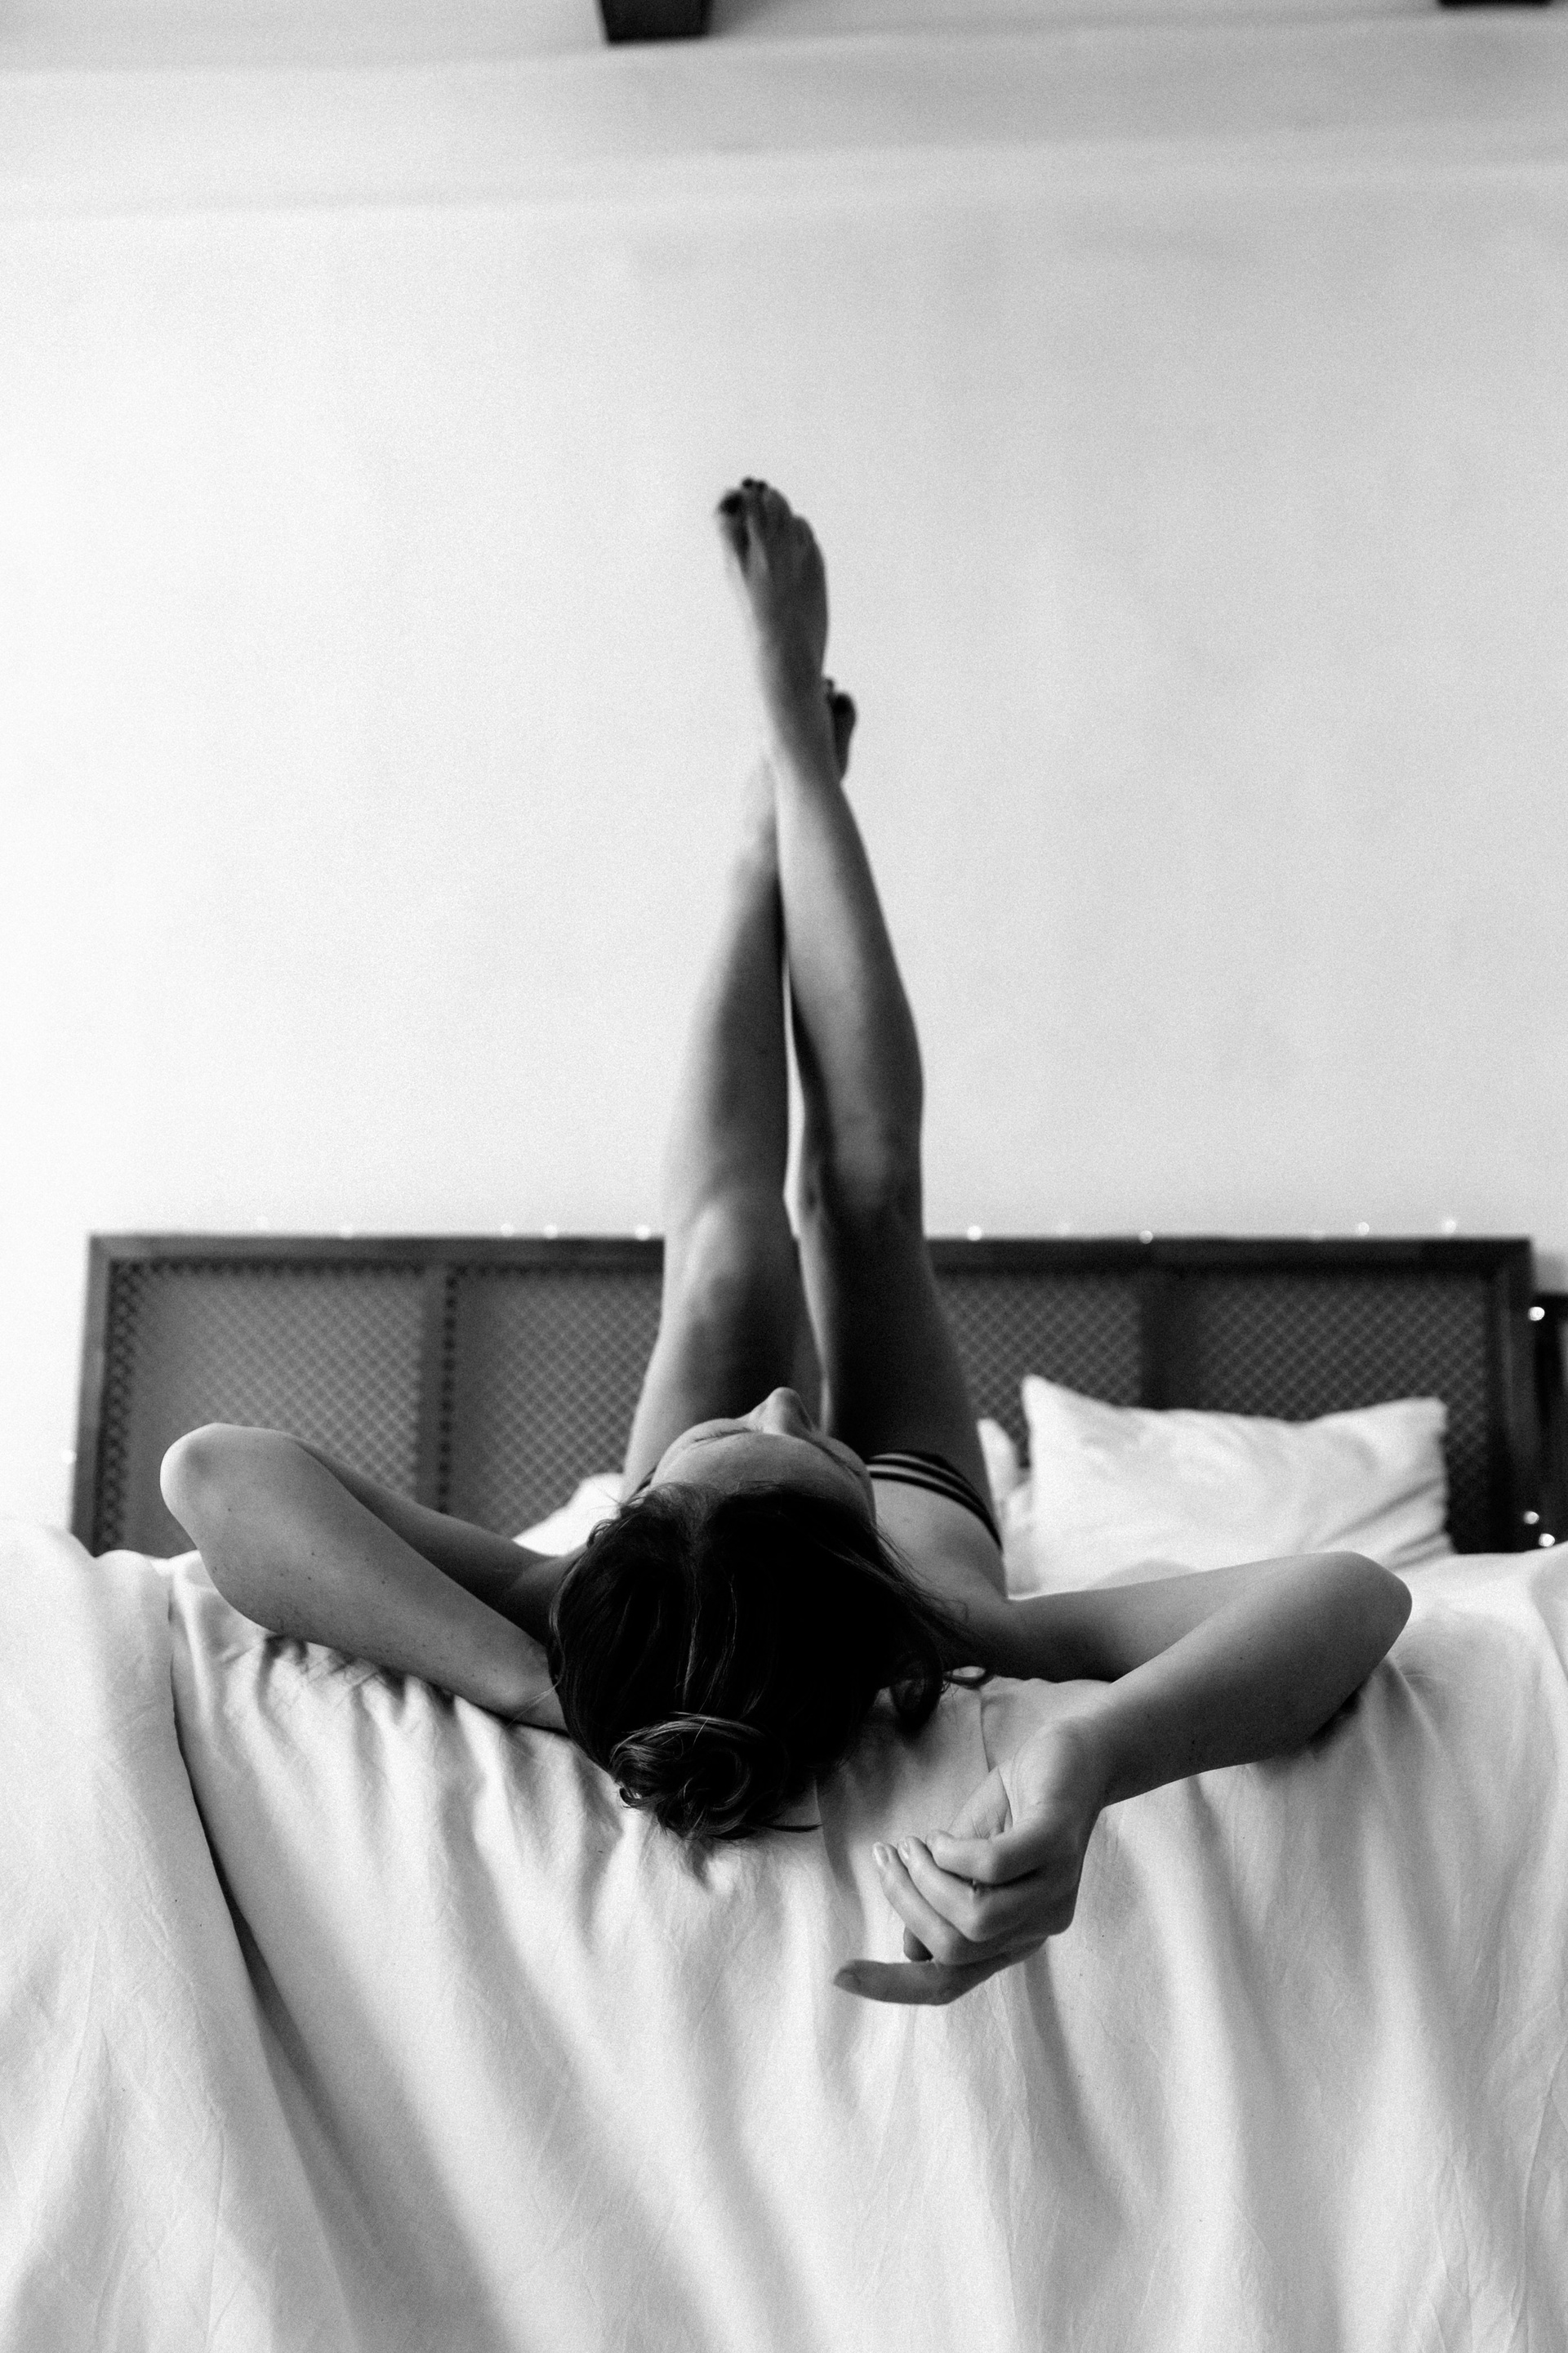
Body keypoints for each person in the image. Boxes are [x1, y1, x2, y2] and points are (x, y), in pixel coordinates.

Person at [161, 479, 1412, 2007]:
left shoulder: (578, 1600)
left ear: (633, 1520)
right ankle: (803, 769)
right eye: (797, 1439)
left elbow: (215, 1472)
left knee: (723, 1252)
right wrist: (1095, 1743)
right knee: (863, 1200)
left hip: (711, 1564)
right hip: (921, 1505)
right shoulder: (943, 1623)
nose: (781, 1398)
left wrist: (539, 1684)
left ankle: (759, 856)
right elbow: (1357, 1593)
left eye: (722, 1439)